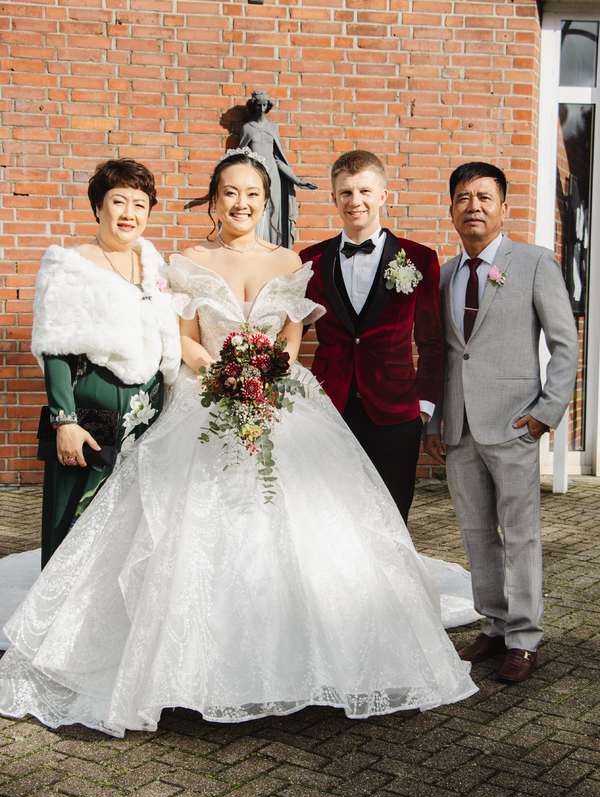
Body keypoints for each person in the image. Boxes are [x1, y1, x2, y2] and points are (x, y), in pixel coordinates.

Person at [0, 149, 477, 736]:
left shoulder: (290, 260)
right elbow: (182, 338)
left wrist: (268, 372)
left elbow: (294, 335)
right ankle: (186, 670)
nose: (241, 204)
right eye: (230, 193)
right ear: (214, 200)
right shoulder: (186, 261)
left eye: (252, 194)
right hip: (207, 397)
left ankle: (307, 661)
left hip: (281, 399)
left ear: (265, 202)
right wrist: (223, 376)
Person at [423, 162, 579, 683]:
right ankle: (493, 625)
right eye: (463, 198)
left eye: (484, 197)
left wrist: (544, 414)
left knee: (520, 535)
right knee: (475, 534)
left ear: (504, 207)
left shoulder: (533, 262)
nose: (474, 206)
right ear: (451, 209)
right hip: (460, 427)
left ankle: (525, 638)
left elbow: (565, 344)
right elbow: (444, 356)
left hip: (515, 425)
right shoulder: (444, 274)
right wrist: (434, 424)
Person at [33, 158, 181, 566]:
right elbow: (55, 347)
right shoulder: (71, 265)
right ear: (98, 206)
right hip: (90, 416)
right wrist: (64, 422)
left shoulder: (153, 265)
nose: (129, 213)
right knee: (78, 520)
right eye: (119, 201)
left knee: (128, 529)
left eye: (140, 204)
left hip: (146, 419)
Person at [300, 151, 445, 523]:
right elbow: (290, 333)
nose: (355, 201)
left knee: (392, 517)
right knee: (331, 516)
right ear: (334, 198)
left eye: (365, 190)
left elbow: (432, 342)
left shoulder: (419, 258)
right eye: (346, 192)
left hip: (397, 413)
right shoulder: (310, 260)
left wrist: (424, 408)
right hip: (329, 408)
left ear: (383, 196)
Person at [238, 90, 317, 247]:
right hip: (255, 176)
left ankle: (273, 248)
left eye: (264, 105)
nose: (261, 108)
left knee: (274, 215)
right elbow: (241, 157)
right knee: (257, 212)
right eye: (258, 105)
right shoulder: (247, 128)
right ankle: (254, 248)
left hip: (273, 176)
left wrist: (297, 181)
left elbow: (278, 159)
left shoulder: (272, 128)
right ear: (253, 106)